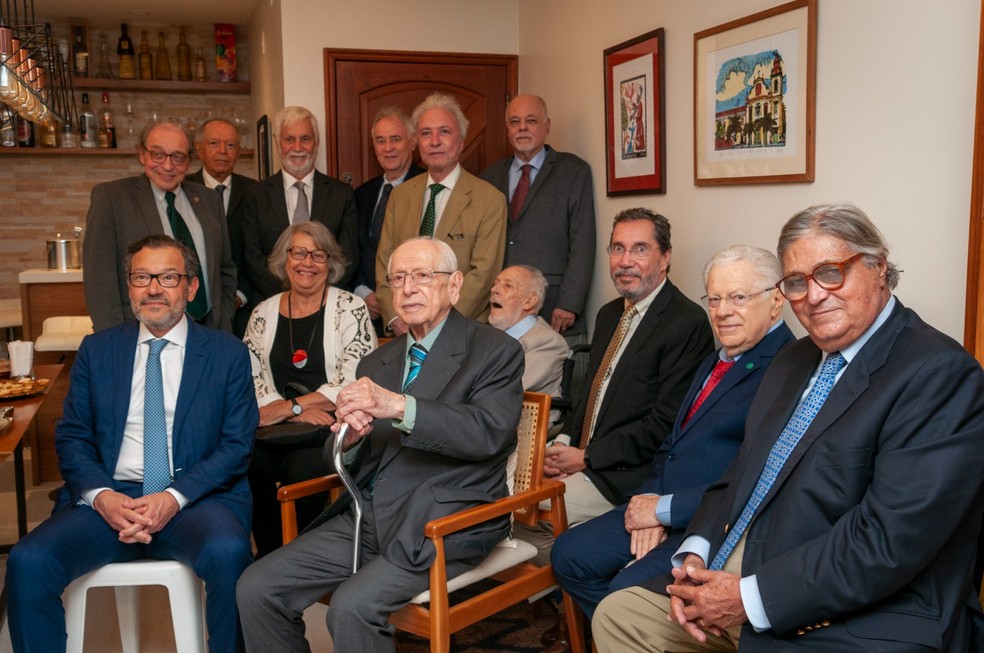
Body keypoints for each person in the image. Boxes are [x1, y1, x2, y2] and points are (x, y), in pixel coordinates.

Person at [593, 203, 984, 652]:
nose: (813, 296)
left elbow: (888, 542)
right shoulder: (792, 359)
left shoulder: (939, 373)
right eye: (797, 281)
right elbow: (741, 473)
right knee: (619, 615)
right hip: (745, 560)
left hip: (859, 607)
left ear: (878, 267)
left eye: (831, 273)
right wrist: (697, 551)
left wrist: (749, 598)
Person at [237, 237, 525, 653]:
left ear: (455, 284)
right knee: (257, 587)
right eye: (398, 278)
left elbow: (488, 433)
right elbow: (338, 456)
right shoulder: (376, 362)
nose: (408, 288)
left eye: (422, 276)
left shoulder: (494, 350)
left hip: (441, 520)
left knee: (351, 607)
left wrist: (399, 405)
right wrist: (350, 440)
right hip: (367, 516)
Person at [7, 235, 258, 653]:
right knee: (29, 561)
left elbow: (236, 446)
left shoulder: (227, 354)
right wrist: (102, 497)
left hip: (194, 501)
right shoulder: (98, 349)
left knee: (229, 554)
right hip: (111, 500)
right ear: (129, 286)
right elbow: (72, 436)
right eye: (142, 277)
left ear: (191, 287)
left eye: (168, 277)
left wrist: (172, 498)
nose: (153, 288)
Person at [550, 245, 794, 635]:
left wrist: (663, 511)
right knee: (568, 554)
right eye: (714, 299)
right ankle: (628, 638)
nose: (722, 311)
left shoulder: (788, 368)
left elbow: (754, 479)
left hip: (711, 521)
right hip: (662, 498)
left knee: (623, 593)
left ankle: (630, 634)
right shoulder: (717, 358)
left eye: (738, 297)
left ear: (776, 300)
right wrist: (648, 501)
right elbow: (672, 442)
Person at [515, 207, 714, 565]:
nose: (625, 261)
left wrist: (586, 457)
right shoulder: (609, 314)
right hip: (584, 459)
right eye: (617, 249)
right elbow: (590, 395)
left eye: (640, 249)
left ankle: (561, 582)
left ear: (665, 257)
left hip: (627, 476)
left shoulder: (686, 322)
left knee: (522, 510)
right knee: (500, 489)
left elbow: (665, 425)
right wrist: (562, 445)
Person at [244, 221, 377, 557]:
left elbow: (355, 377)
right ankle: (269, 558)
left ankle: (298, 558)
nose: (307, 263)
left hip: (333, 425)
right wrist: (291, 411)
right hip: (274, 427)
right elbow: (250, 373)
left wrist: (294, 408)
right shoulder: (262, 312)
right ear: (284, 259)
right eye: (299, 253)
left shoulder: (351, 308)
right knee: (247, 462)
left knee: (300, 471)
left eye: (318, 255)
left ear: (330, 263)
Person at [83, 120, 237, 333]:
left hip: (209, 331)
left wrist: (225, 319)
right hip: (140, 332)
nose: (167, 165)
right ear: (142, 154)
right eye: (157, 154)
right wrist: (113, 338)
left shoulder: (209, 199)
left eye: (178, 157)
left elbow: (225, 268)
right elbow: (99, 279)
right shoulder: (112, 198)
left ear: (189, 161)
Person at [374, 92, 507, 334]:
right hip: (405, 330)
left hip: (460, 331)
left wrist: (438, 323)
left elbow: (484, 275)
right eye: (426, 133)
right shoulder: (400, 196)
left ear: (461, 141)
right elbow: (385, 265)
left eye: (444, 132)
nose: (434, 141)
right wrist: (395, 317)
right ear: (417, 142)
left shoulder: (490, 200)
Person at [480, 94, 596, 339]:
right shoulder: (489, 177)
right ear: (507, 128)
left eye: (531, 121)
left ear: (547, 126)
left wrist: (570, 303)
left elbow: (583, 243)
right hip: (499, 310)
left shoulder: (573, 172)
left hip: (553, 308)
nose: (522, 127)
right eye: (515, 121)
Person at [240, 105, 359, 306]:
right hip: (273, 304)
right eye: (289, 139)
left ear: (317, 142)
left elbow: (348, 257)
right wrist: (291, 297)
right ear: (277, 143)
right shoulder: (255, 195)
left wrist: (317, 295)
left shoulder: (342, 194)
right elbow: (252, 258)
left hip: (328, 304)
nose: (297, 147)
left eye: (305, 139)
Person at [352, 107, 425, 334]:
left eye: (395, 139)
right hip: (368, 313)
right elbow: (354, 248)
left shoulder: (427, 188)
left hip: (415, 310)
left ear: (412, 142)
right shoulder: (362, 194)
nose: (388, 148)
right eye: (380, 141)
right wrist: (363, 292)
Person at [187, 117, 258, 337]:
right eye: (214, 143)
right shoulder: (183, 189)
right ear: (199, 149)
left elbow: (262, 250)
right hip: (193, 306)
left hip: (244, 308)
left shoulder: (256, 191)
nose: (222, 151)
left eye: (230, 145)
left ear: (238, 152)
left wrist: (240, 295)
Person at [489, 264, 567, 400]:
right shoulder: (485, 336)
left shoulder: (549, 342)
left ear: (529, 302)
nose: (494, 289)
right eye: (495, 284)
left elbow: (506, 390)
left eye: (508, 286)